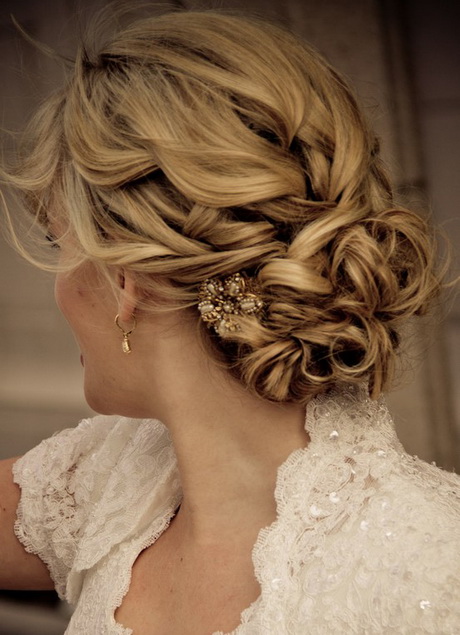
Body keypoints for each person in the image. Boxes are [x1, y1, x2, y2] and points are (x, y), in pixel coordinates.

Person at [0, 8, 459, 634]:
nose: (59, 289)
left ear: (125, 282)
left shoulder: (433, 569)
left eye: (59, 244)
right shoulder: (114, 479)